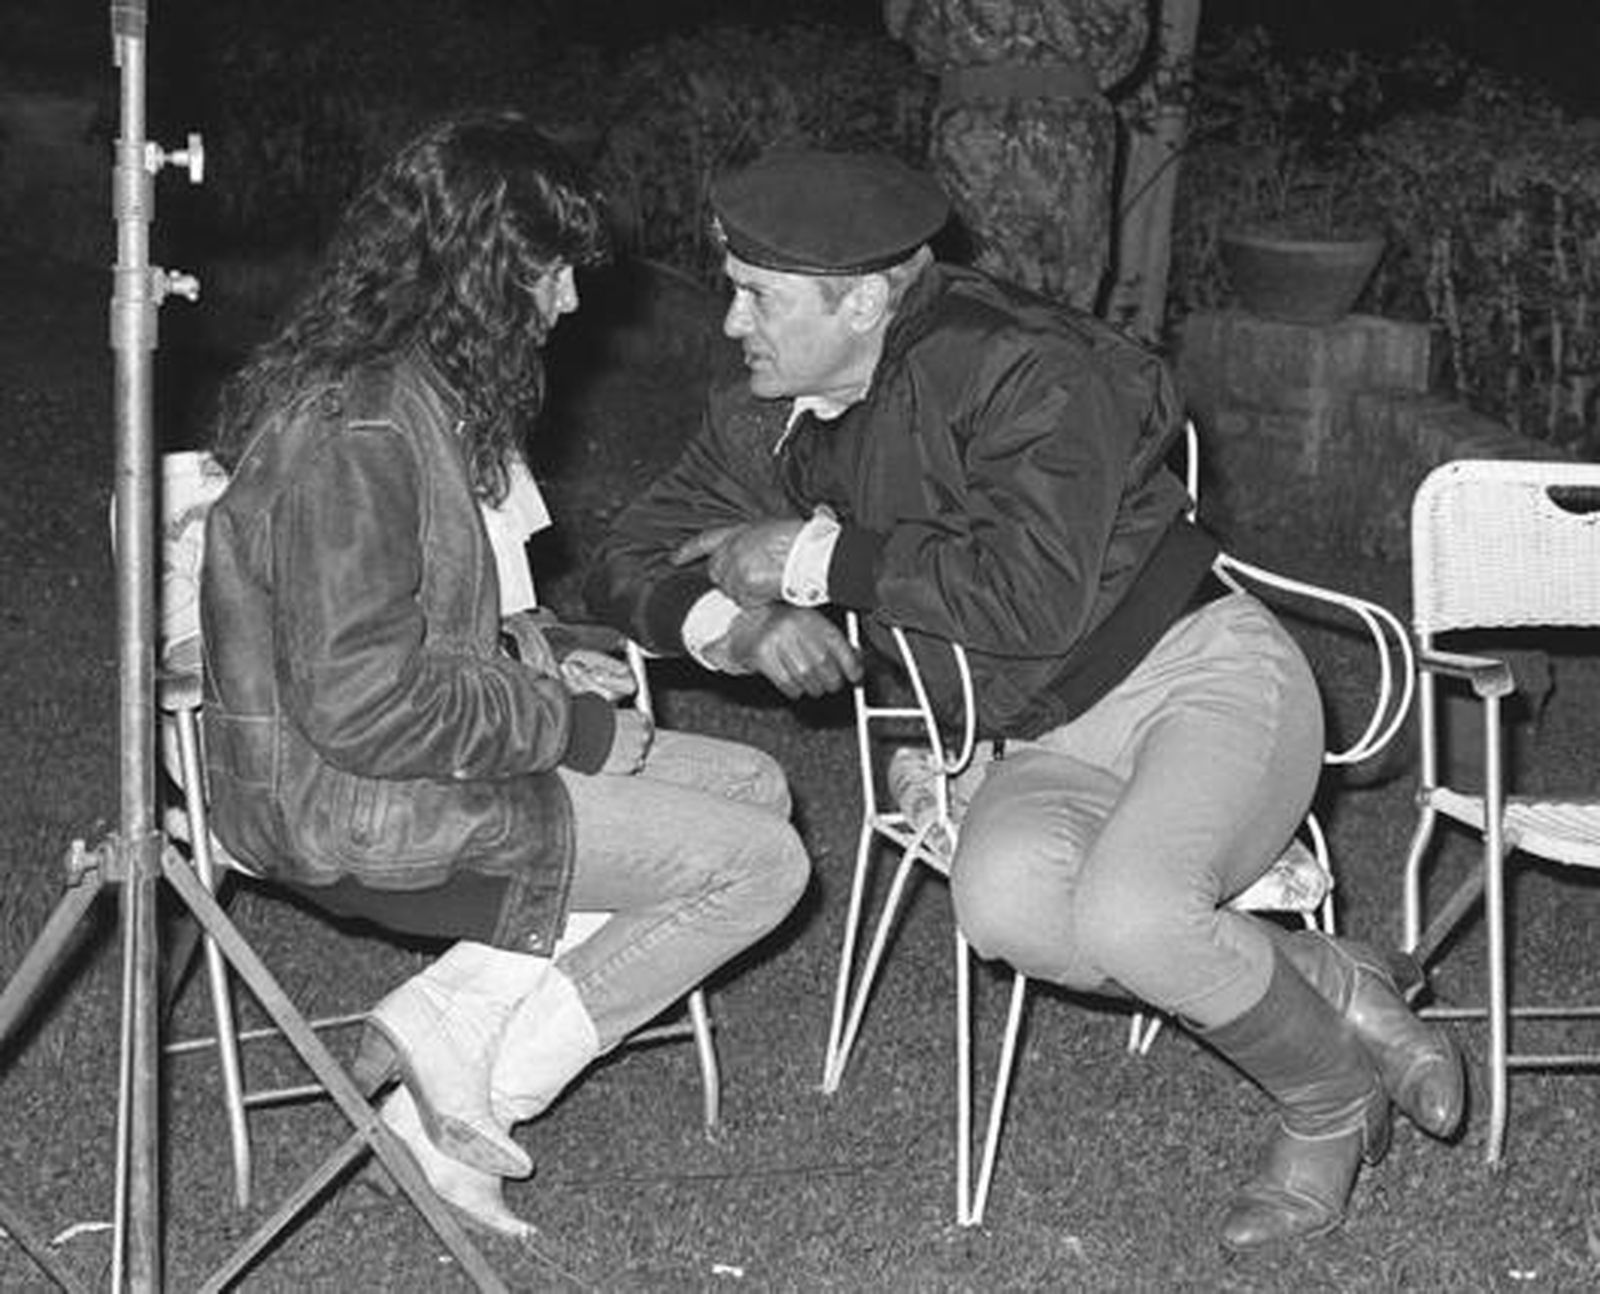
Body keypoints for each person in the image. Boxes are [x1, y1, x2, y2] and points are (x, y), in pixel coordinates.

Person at [585, 149, 1464, 1251]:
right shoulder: (773, 416)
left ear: (862, 301)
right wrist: (738, 625)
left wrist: (811, 559)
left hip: (1199, 676)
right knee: (1005, 907)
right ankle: (1330, 979)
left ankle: (1327, 1102)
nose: (730, 324)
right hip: (1037, 737)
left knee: (1134, 914)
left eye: (758, 296)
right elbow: (623, 557)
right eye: (734, 291)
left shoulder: (1025, 366)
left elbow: (1033, 596)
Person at [199, 112, 810, 1240]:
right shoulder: (362, 430)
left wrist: (537, 651)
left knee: (754, 785)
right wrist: (573, 729)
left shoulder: (409, 395)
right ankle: (453, 1118)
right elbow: (366, 702)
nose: (568, 303)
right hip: (355, 806)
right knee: (762, 867)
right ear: (478, 272)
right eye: (550, 273)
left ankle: (455, 1016)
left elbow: (414, 634)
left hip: (395, 774)